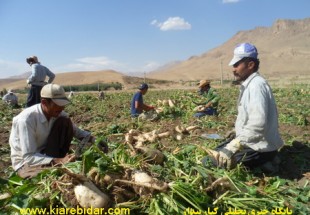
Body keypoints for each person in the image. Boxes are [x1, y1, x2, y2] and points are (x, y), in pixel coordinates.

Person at [203, 43, 283, 171]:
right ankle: (265, 161)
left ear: (250, 65)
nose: (233, 69)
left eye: (236, 65)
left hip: (260, 148)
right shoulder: (250, 84)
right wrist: (237, 133)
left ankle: (266, 162)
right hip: (253, 143)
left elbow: (258, 125)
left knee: (208, 162)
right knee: (214, 153)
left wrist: (234, 145)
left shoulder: (256, 86)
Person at [9, 83, 108, 178]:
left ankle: (57, 161)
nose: (62, 107)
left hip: (47, 153)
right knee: (50, 175)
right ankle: (56, 163)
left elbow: (77, 132)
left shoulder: (58, 113)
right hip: (26, 162)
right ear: (44, 102)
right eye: (58, 104)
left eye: (63, 104)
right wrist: (60, 161)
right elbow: (29, 157)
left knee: (65, 121)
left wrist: (94, 140)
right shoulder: (26, 120)